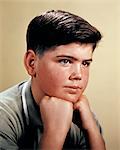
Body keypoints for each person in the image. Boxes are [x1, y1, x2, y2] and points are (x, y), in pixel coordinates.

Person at [0, 10, 106, 150]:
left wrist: (92, 130)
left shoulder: (83, 114)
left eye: (85, 63)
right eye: (65, 61)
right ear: (32, 63)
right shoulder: (4, 116)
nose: (78, 75)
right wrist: (54, 133)